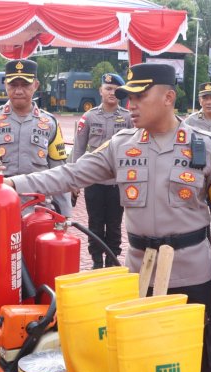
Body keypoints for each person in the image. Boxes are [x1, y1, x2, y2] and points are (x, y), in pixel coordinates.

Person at [6, 64, 211, 372]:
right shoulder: (121, 146)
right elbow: (70, 173)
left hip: (190, 273)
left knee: (196, 357)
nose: (130, 104)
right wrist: (14, 184)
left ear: (168, 97)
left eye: (139, 96)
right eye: (127, 98)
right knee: (141, 352)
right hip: (138, 273)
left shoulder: (206, 147)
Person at [0, 58, 71, 215]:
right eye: (13, 85)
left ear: (36, 85)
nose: (19, 91)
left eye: (25, 85)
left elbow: (59, 173)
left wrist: (65, 215)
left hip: (38, 210)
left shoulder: (50, 123)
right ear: (5, 84)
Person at [73, 73, 133, 268]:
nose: (112, 93)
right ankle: (97, 262)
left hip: (117, 182)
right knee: (95, 224)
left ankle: (112, 262)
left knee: (115, 226)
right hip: (94, 182)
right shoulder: (89, 117)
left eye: (116, 90)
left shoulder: (128, 118)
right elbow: (79, 149)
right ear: (100, 91)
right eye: (108, 89)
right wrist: (75, 180)